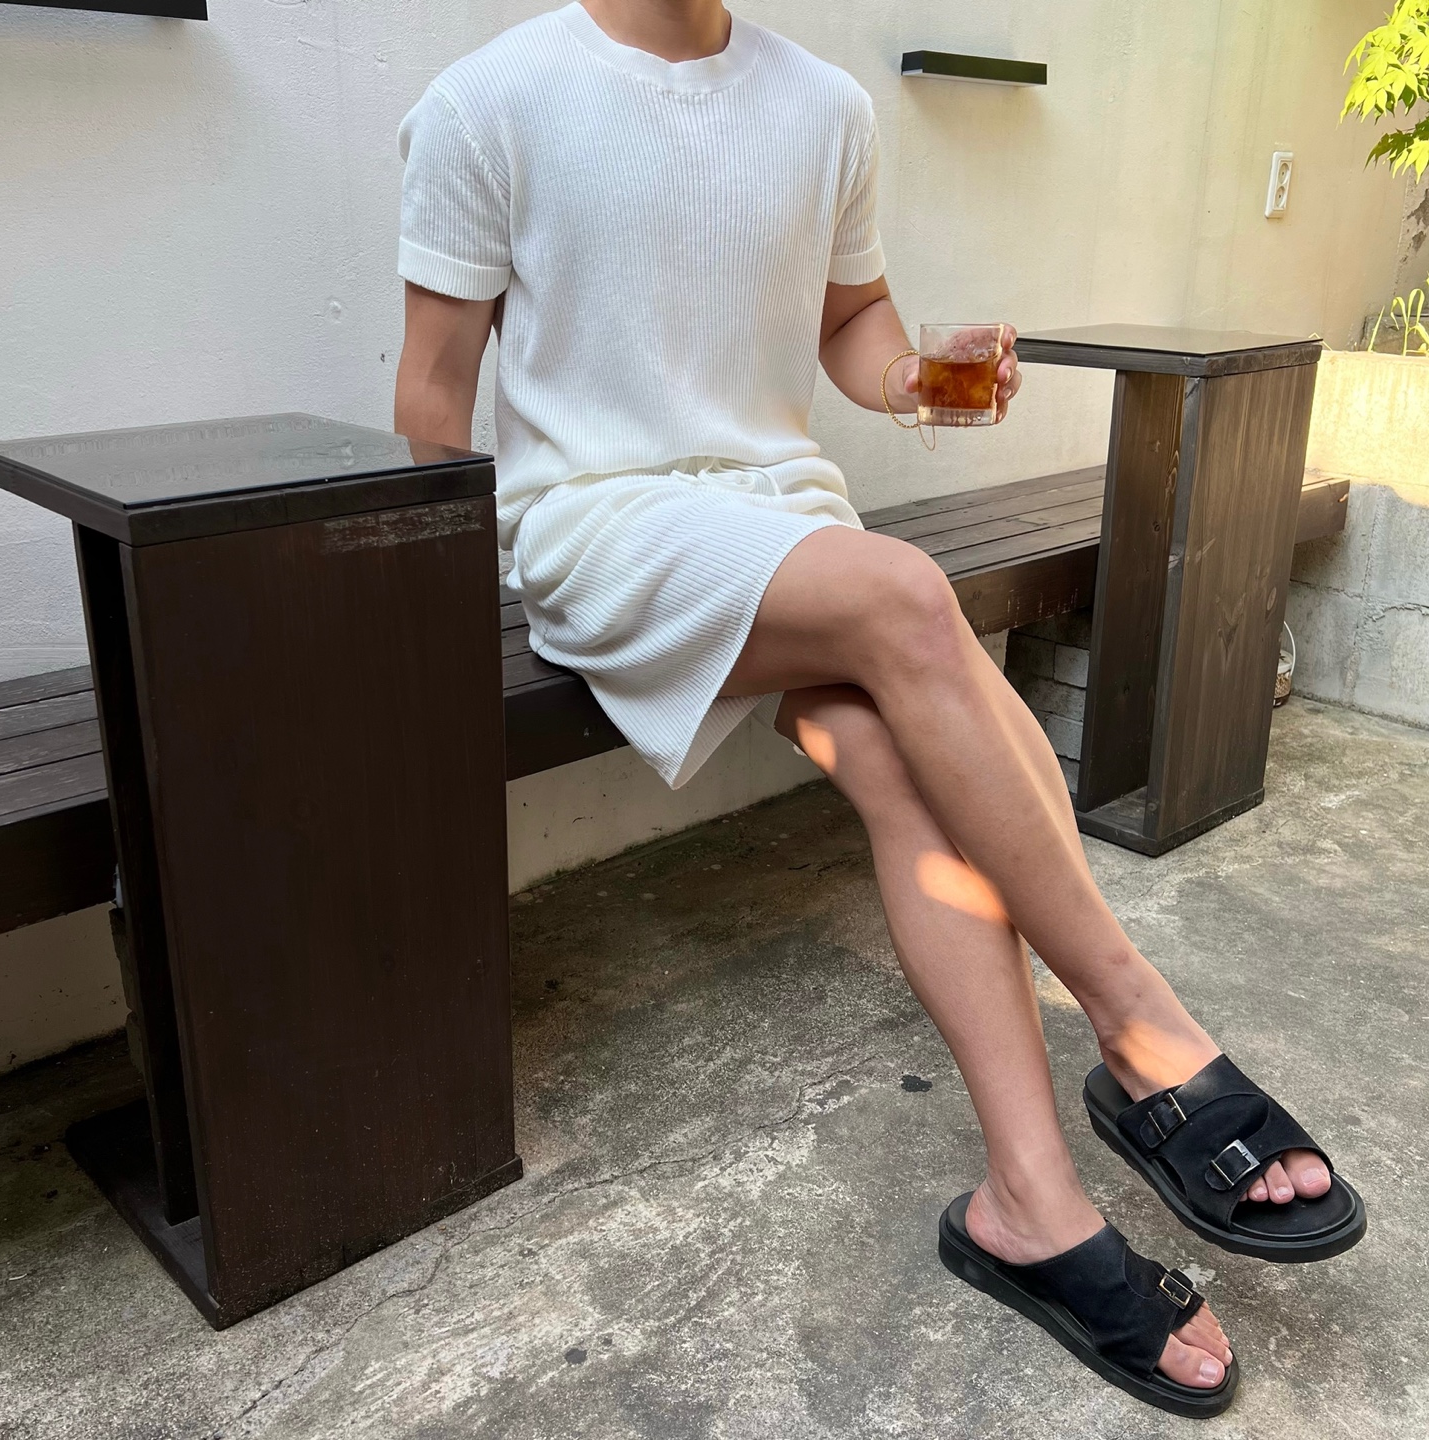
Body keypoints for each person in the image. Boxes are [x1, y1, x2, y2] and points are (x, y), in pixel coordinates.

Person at [393, 0, 1364, 1415]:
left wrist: (921, 379)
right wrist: (423, 641)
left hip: (786, 523)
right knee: (910, 597)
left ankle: (1030, 1203)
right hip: (600, 529)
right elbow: (430, 400)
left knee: (905, 765)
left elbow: (852, 322)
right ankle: (1137, 1017)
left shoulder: (823, 107)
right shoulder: (488, 102)